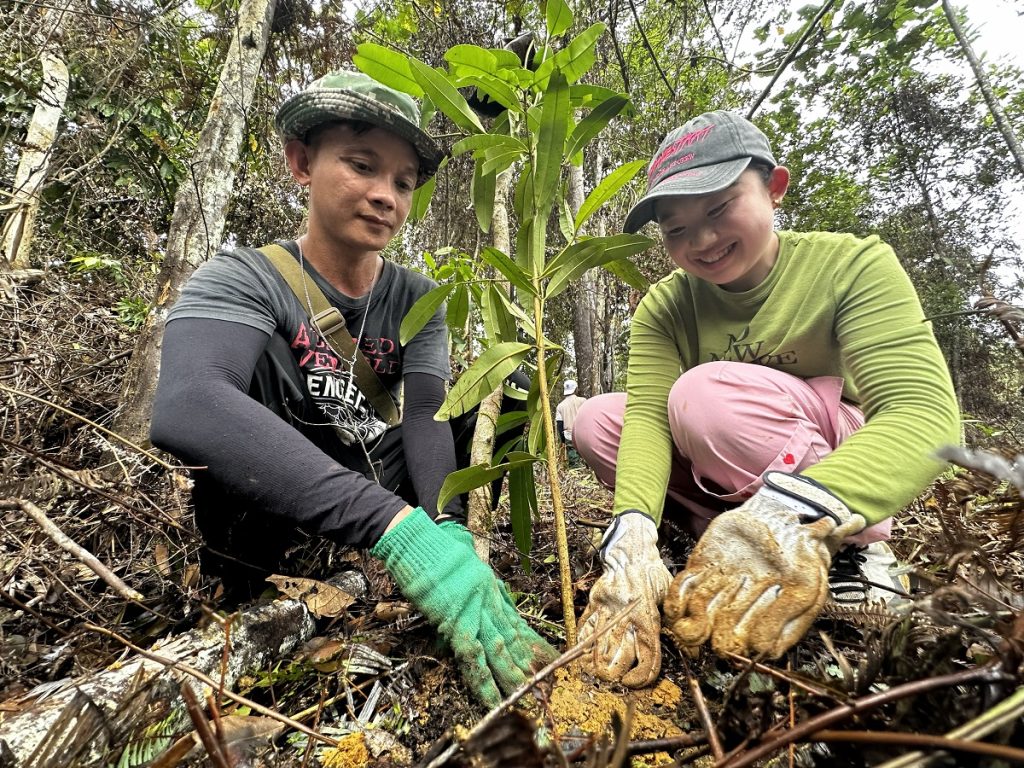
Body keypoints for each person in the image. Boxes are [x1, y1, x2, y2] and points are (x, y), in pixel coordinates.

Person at [150, 70, 556, 708]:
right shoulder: (243, 277)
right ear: (301, 161)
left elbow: (426, 410)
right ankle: (251, 591)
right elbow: (188, 403)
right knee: (228, 398)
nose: (385, 196)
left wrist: (443, 533)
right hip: (272, 503)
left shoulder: (417, 296)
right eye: (362, 166)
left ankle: (460, 558)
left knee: (512, 383)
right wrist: (396, 528)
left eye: (402, 182)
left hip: (371, 467)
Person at [572, 110, 959, 687]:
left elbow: (923, 413)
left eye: (719, 207)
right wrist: (630, 540)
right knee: (597, 419)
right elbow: (647, 424)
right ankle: (713, 543)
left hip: (827, 454)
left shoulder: (849, 264)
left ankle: (851, 551)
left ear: (775, 188)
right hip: (732, 463)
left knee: (704, 396)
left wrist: (791, 510)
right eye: (676, 229)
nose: (701, 241)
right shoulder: (666, 305)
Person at [555, 379, 587, 467]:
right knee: (587, 458)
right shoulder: (583, 401)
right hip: (583, 434)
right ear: (576, 389)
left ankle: (576, 474)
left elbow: (560, 424)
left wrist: (562, 440)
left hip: (569, 435)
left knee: (574, 462)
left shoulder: (560, 406)